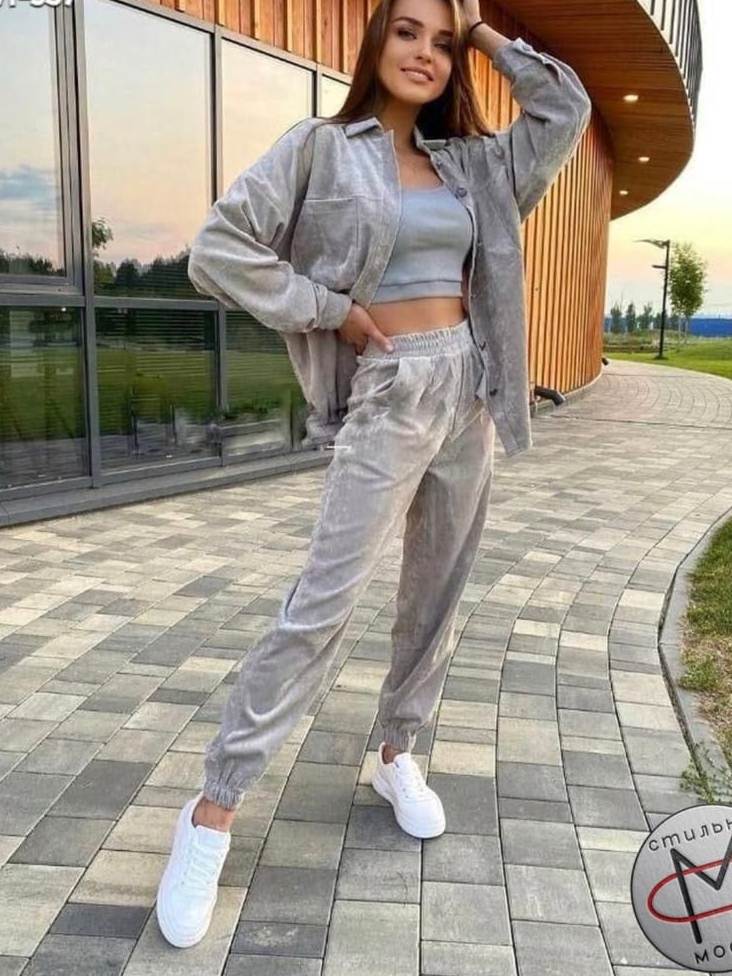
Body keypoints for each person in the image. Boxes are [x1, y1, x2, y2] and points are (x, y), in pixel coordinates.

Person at [156, 0, 592, 949]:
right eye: (408, 31)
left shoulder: (477, 165)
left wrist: (484, 31)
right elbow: (219, 250)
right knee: (322, 605)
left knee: (437, 593)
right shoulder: (321, 148)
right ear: (375, 41)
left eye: (442, 40)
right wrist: (328, 308)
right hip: (391, 391)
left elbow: (565, 108)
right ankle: (212, 810)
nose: (425, 53)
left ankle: (397, 751)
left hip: (468, 388)